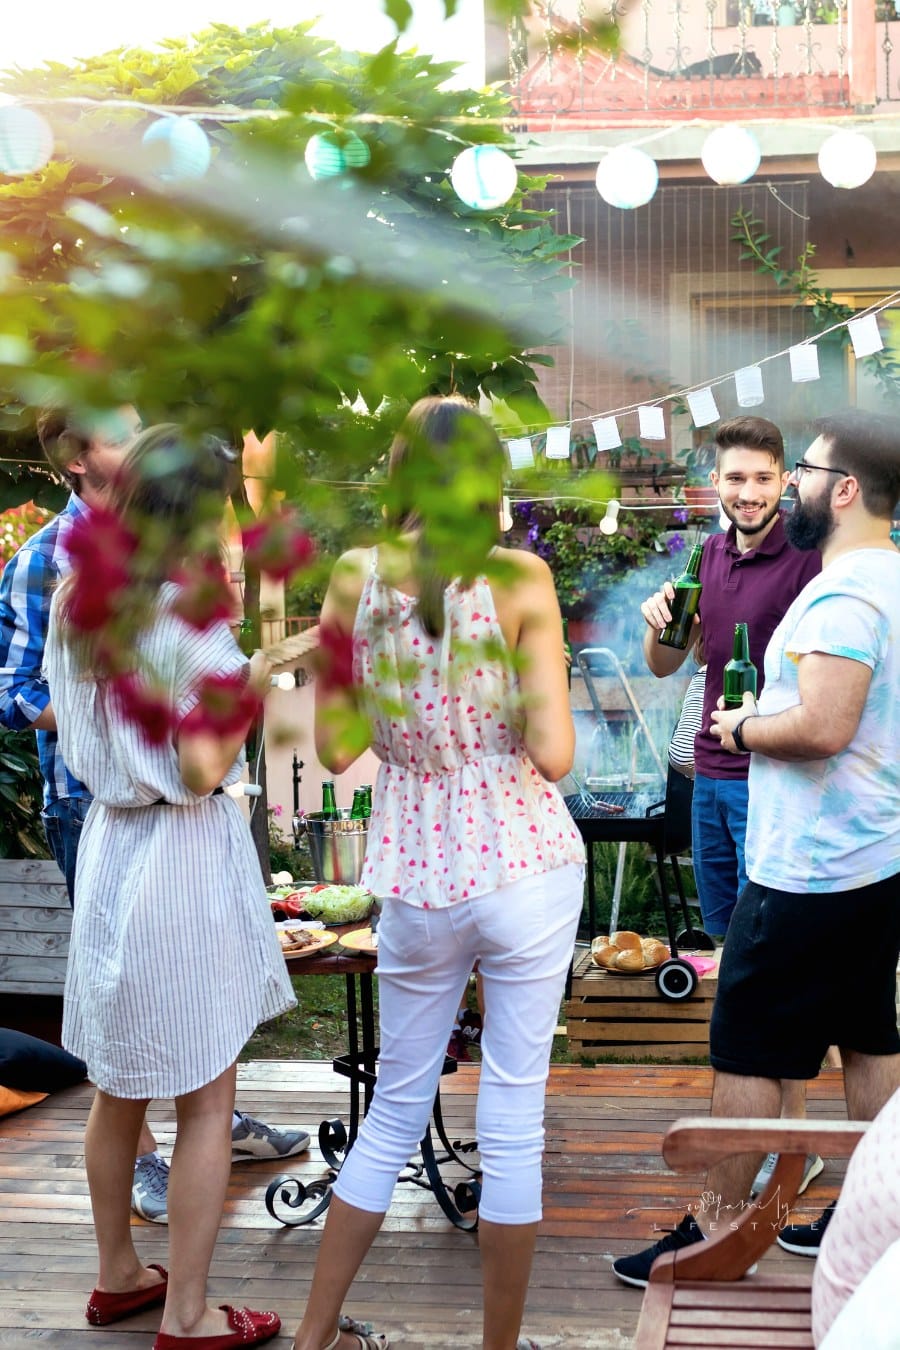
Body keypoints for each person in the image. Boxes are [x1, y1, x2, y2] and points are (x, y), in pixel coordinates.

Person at [292, 396, 585, 1350]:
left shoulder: (354, 577)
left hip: (416, 869)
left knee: (392, 1110)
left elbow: (336, 748)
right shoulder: (519, 577)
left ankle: (314, 1336)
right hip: (522, 861)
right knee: (512, 1116)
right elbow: (554, 754)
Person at [0, 404, 310, 1226]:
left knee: (120, 1081)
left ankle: (117, 1269)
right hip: (172, 844)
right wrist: (256, 673)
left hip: (110, 831)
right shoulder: (178, 616)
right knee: (203, 1096)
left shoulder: (78, 597)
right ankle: (190, 1291)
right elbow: (200, 770)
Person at [613, 408, 900, 1289]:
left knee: (745, 1045)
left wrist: (739, 728)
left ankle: (715, 1237)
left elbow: (822, 726)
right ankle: (877, 1225)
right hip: (868, 855)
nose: (787, 486)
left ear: (841, 490)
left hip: (810, 866)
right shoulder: (884, 575)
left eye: (801, 471)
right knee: (867, 1035)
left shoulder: (843, 592)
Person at [640, 417, 821, 939]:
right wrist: (657, 620)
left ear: (784, 481)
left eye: (763, 478)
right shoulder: (706, 561)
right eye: (736, 478)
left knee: (762, 936)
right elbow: (662, 664)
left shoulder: (808, 560)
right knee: (719, 932)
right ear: (716, 482)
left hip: (773, 778)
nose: (749, 493)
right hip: (707, 778)